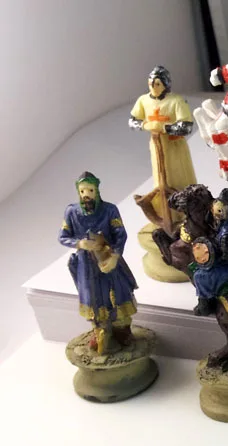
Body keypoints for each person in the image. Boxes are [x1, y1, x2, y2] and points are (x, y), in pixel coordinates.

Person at [59, 172, 138, 353]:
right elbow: (63, 237)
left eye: (90, 190)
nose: (86, 195)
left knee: (118, 293)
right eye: (82, 191)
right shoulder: (71, 212)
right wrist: (79, 243)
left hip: (108, 258)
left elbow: (121, 235)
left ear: (97, 190)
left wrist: (115, 256)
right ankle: (100, 330)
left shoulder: (109, 210)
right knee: (93, 296)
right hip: (86, 265)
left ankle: (122, 329)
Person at [129, 66, 197, 226]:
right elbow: (132, 120)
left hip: (175, 146)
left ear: (166, 84)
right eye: (150, 83)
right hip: (156, 145)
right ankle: (165, 213)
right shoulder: (143, 100)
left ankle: (186, 214)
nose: (153, 86)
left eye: (158, 83)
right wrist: (145, 125)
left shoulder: (177, 101)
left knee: (179, 178)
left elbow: (186, 126)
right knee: (159, 180)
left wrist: (165, 127)